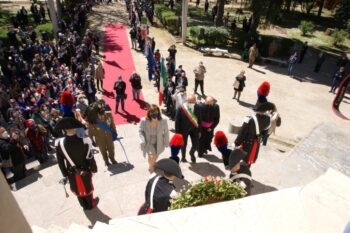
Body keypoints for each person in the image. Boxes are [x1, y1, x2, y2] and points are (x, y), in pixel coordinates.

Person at [55, 117, 99, 210]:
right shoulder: (85, 141)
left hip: (71, 172)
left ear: (64, 130)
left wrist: (65, 174)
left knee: (77, 189)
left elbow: (60, 162)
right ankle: (90, 204)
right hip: (85, 170)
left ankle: (83, 205)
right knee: (87, 188)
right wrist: (94, 168)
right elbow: (90, 157)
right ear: (75, 128)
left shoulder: (59, 144)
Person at [234, 102, 274, 168]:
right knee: (249, 159)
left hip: (246, 142)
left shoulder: (249, 119)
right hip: (255, 143)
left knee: (240, 159)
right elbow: (265, 133)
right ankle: (246, 171)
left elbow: (242, 132)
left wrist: (237, 143)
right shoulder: (268, 119)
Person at [139, 105, 169, 173]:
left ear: (158, 112)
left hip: (159, 142)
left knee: (154, 156)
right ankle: (151, 168)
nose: (154, 114)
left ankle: (152, 164)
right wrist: (142, 141)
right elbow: (140, 131)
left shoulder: (163, 120)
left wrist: (166, 143)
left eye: (155, 112)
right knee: (152, 155)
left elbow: (166, 132)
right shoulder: (144, 120)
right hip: (149, 142)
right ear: (149, 113)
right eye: (152, 112)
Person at [88, 100, 118, 166]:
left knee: (111, 149)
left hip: (109, 136)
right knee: (103, 151)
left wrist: (115, 133)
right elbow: (90, 130)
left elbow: (112, 124)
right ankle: (106, 161)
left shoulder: (108, 114)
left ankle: (112, 159)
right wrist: (92, 140)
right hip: (99, 137)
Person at [175, 95, 200, 163]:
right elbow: (177, 121)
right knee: (183, 145)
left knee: (196, 144)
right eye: (189, 102)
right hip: (183, 129)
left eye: (192, 102)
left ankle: (192, 153)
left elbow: (200, 120)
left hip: (194, 129)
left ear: (195, 101)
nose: (190, 103)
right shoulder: (181, 108)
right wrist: (177, 133)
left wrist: (200, 131)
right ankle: (183, 157)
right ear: (186, 101)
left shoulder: (198, 107)